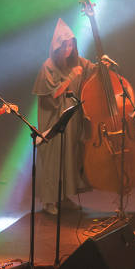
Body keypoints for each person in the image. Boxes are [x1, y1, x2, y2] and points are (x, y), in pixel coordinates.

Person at [32, 19, 95, 215]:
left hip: (72, 117)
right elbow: (53, 95)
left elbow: (92, 70)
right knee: (54, 158)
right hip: (55, 118)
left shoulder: (78, 62)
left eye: (71, 45)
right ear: (58, 47)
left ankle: (65, 196)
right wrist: (69, 78)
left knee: (70, 158)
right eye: (65, 45)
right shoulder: (48, 66)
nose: (69, 49)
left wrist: (104, 64)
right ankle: (49, 201)